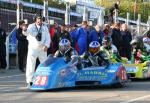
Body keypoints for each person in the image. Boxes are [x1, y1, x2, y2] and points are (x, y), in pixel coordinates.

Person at [22, 14, 51, 87]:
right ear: (35, 19)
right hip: (33, 48)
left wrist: (47, 45)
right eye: (38, 19)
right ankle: (30, 81)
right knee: (31, 64)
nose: (39, 20)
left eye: (41, 19)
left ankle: (45, 80)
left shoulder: (45, 27)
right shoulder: (31, 26)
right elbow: (26, 32)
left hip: (42, 49)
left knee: (45, 64)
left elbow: (48, 37)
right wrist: (24, 29)